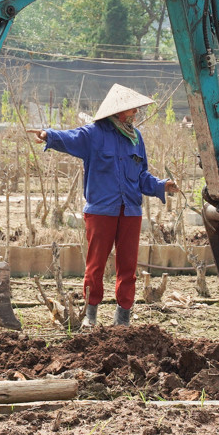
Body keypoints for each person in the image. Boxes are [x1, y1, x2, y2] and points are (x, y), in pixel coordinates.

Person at [28, 84, 179, 327]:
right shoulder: (95, 134)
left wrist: (162, 186)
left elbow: (142, 176)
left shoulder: (135, 138)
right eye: (132, 110)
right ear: (119, 112)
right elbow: (71, 137)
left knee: (128, 266)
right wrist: (49, 135)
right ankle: (91, 316)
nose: (136, 114)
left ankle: (123, 319)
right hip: (101, 211)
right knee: (95, 266)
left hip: (130, 210)